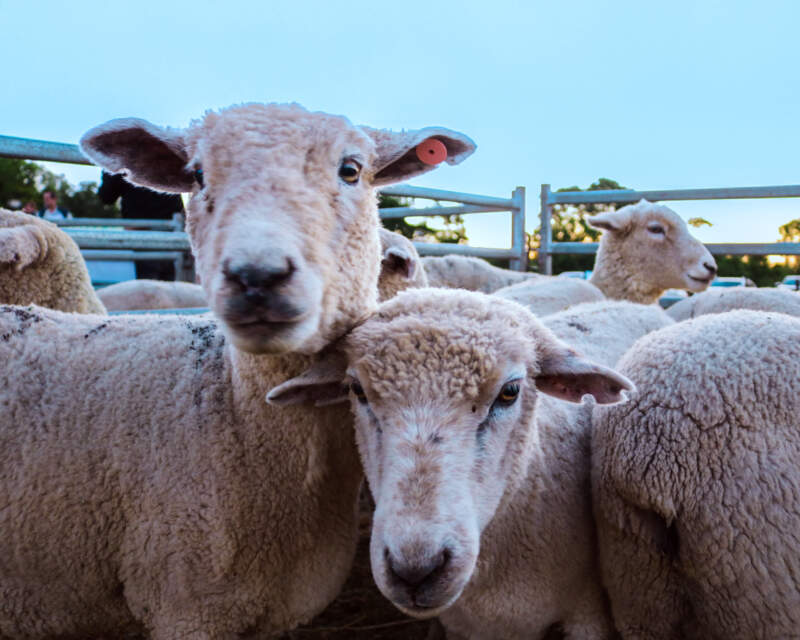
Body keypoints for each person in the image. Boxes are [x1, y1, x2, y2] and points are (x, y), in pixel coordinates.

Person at [97, 171, 186, 280]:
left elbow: (107, 196)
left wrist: (108, 171)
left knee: (148, 281)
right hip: (171, 227)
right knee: (169, 280)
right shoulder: (167, 156)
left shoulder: (122, 159)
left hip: (141, 227)